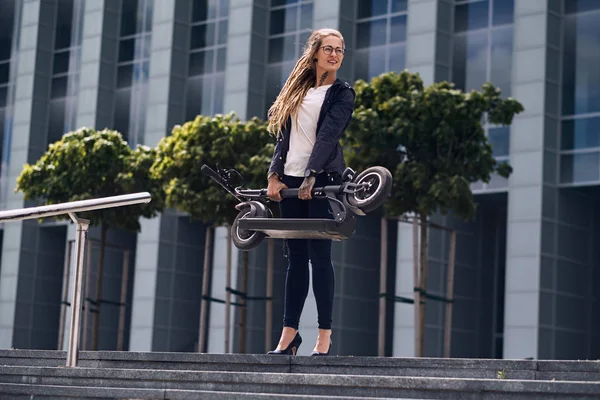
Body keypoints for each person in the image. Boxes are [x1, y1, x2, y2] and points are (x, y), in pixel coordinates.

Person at [265, 28, 356, 356]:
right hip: (290, 182)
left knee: (320, 258)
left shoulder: (342, 93)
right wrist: (274, 175)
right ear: (315, 52)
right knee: (296, 260)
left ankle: (324, 336)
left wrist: (312, 176)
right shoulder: (298, 89)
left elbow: (328, 136)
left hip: (321, 180)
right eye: (329, 49)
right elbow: (284, 139)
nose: (334, 55)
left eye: (340, 50)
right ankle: (289, 334)